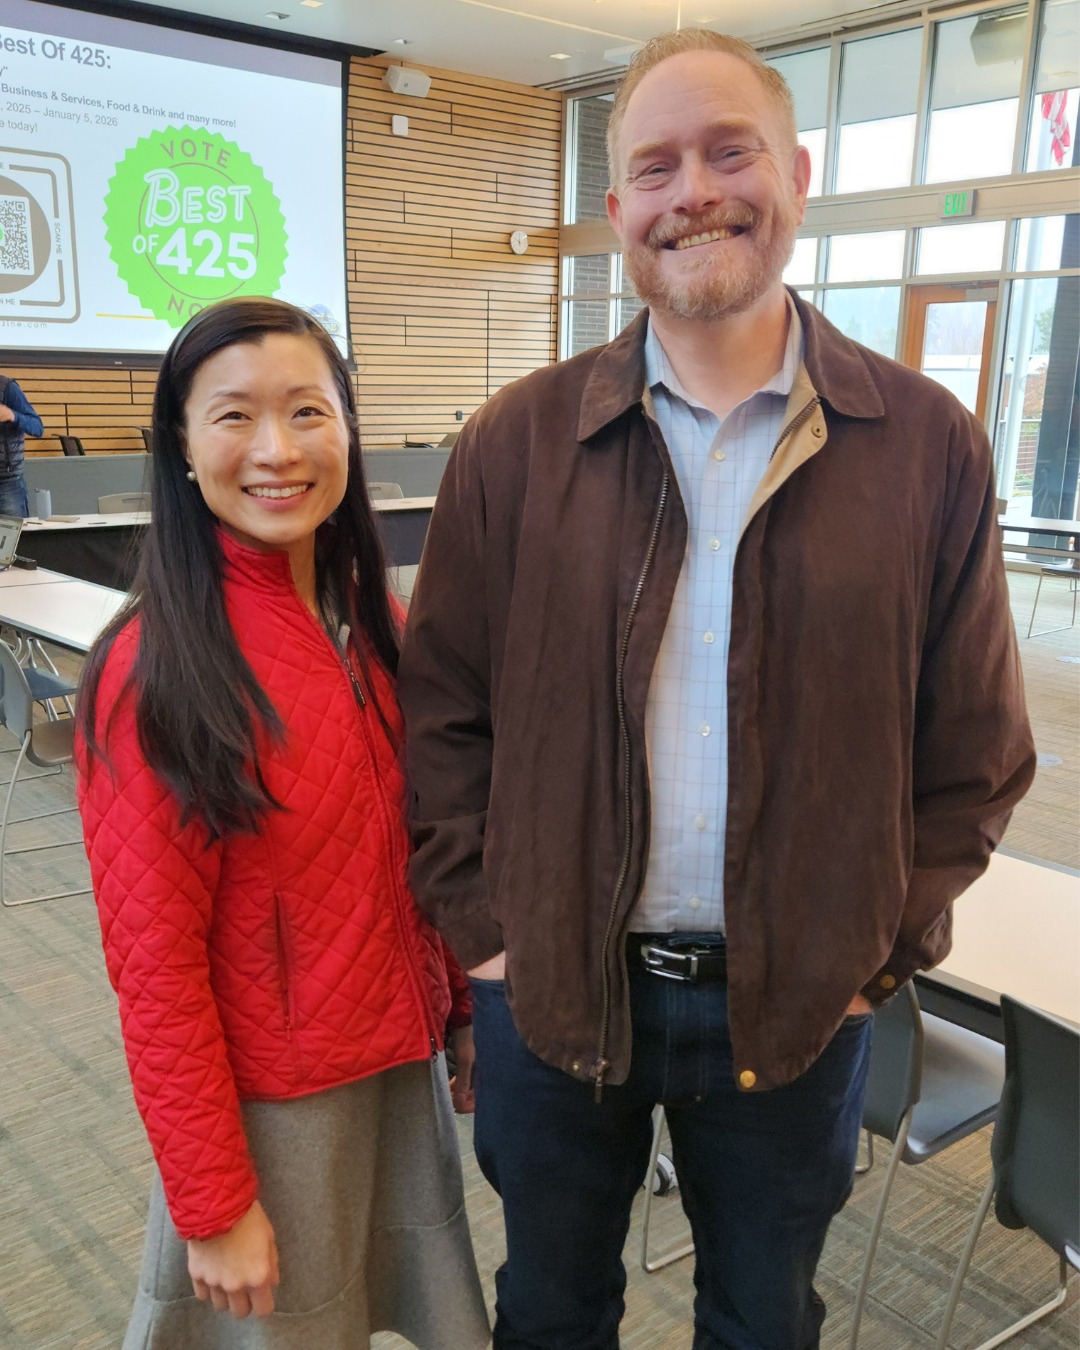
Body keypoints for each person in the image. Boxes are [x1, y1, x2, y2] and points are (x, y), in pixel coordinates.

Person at [398, 29, 1036, 1350]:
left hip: (798, 1003)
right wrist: (485, 930)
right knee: (552, 1309)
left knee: (764, 1315)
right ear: (620, 209)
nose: (693, 190)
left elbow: (975, 748)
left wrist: (881, 947)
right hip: (557, 985)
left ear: (796, 174)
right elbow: (441, 709)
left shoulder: (924, 445)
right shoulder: (518, 440)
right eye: (653, 166)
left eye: (727, 150)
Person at [77, 297, 489, 1350]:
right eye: (234, 417)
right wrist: (212, 1204)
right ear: (180, 443)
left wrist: (456, 1012)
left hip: (392, 1065)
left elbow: (411, 847)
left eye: (308, 411)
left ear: (348, 427)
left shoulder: (371, 623)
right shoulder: (155, 669)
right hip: (272, 1108)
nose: (277, 450)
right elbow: (153, 966)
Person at [0, 372, 43, 517]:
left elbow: (37, 427)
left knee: (16, 538)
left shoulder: (7, 388)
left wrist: (13, 415)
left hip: (7, 483)